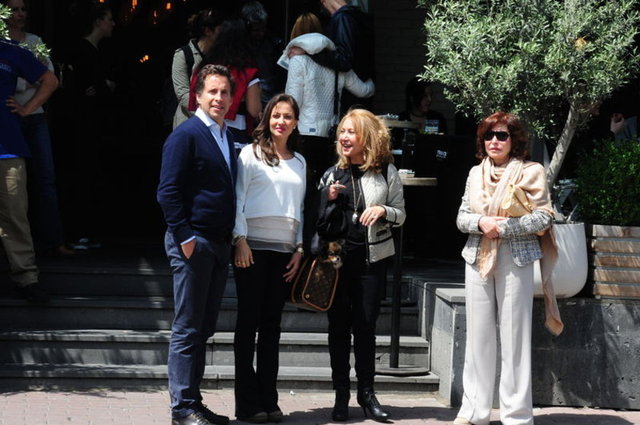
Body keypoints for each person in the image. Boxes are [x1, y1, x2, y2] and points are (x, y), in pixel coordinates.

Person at [454, 112, 563, 425]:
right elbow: (462, 217)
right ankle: (474, 412)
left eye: (502, 135)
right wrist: (481, 222)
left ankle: (516, 415)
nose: (494, 141)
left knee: (515, 337)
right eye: (488, 136)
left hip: (516, 257)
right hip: (477, 257)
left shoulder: (531, 171)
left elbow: (544, 217)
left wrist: (503, 228)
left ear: (514, 140)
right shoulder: (475, 173)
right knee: (478, 336)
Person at [157, 64, 237, 425]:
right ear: (198, 96)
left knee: (203, 328)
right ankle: (182, 408)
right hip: (193, 243)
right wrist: (186, 237)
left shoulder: (227, 136)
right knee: (188, 327)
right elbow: (167, 192)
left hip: (218, 245)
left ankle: (194, 401)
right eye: (212, 92)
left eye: (225, 92)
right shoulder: (186, 135)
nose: (219, 98)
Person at [318, 109, 406, 423]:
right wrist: (326, 198)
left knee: (366, 327)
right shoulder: (331, 174)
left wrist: (383, 210)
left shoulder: (386, 172)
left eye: (351, 132)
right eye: (342, 131)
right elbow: (317, 220)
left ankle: (367, 394)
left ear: (367, 136)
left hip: (372, 260)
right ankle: (341, 394)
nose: (344, 137)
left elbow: (401, 214)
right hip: (336, 262)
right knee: (338, 329)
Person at [232, 93, 306, 424]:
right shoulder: (249, 154)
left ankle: (269, 400)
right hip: (251, 250)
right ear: (267, 118)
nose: (281, 121)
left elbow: (300, 208)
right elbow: (238, 198)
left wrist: (300, 249)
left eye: (287, 116)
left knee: (272, 328)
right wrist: (240, 239)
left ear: (296, 123)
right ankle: (247, 404)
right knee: (248, 324)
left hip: (284, 253)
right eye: (276, 115)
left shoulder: (300, 161)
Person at [3, 0, 73, 257]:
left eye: (23, 9)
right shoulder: (3, 43)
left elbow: (50, 77)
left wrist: (27, 104)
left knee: (45, 178)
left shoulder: (34, 41)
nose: (20, 14)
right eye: (14, 9)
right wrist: (27, 79)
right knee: (12, 184)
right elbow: (20, 80)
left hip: (34, 116)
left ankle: (54, 240)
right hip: (8, 118)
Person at [281, 12, 374, 186]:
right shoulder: (336, 63)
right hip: (332, 133)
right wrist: (372, 78)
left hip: (305, 133)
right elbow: (364, 91)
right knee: (327, 183)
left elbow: (293, 103)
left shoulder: (298, 61)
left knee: (305, 184)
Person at [0, 38, 58, 301]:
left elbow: (50, 81)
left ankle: (26, 278)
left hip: (8, 147)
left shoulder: (11, 51)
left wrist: (26, 109)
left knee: (14, 216)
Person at [66, 0, 115, 248]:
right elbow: (82, 87)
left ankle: (88, 230)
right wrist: (102, 87)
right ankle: (78, 232)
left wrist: (102, 87)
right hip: (83, 123)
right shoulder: (81, 50)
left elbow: (102, 87)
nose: (113, 23)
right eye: (109, 19)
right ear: (98, 21)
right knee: (82, 173)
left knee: (93, 173)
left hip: (96, 122)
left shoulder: (99, 51)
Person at [188, 18, 261, 151]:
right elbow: (254, 109)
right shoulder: (247, 70)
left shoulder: (203, 66)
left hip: (204, 130)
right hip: (235, 133)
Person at [312, 0, 375, 113]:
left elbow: (343, 60)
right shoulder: (359, 18)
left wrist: (312, 53)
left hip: (347, 99)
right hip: (361, 96)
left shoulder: (343, 18)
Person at [172, 8, 223, 129]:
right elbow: (183, 94)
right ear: (208, 31)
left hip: (216, 123)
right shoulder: (183, 55)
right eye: (219, 30)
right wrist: (208, 116)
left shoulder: (220, 57)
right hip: (188, 122)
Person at [240, 1, 286, 107]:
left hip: (272, 96)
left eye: (263, 28)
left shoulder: (275, 43)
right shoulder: (240, 46)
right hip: (249, 98)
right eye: (256, 30)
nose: (261, 33)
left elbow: (281, 74)